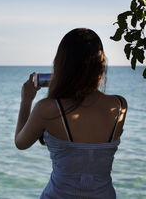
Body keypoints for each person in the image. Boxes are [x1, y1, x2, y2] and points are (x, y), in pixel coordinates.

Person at [14, 28, 128, 198]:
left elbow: (20, 142)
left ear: (62, 65)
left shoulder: (47, 109)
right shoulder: (119, 106)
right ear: (100, 65)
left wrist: (26, 100)